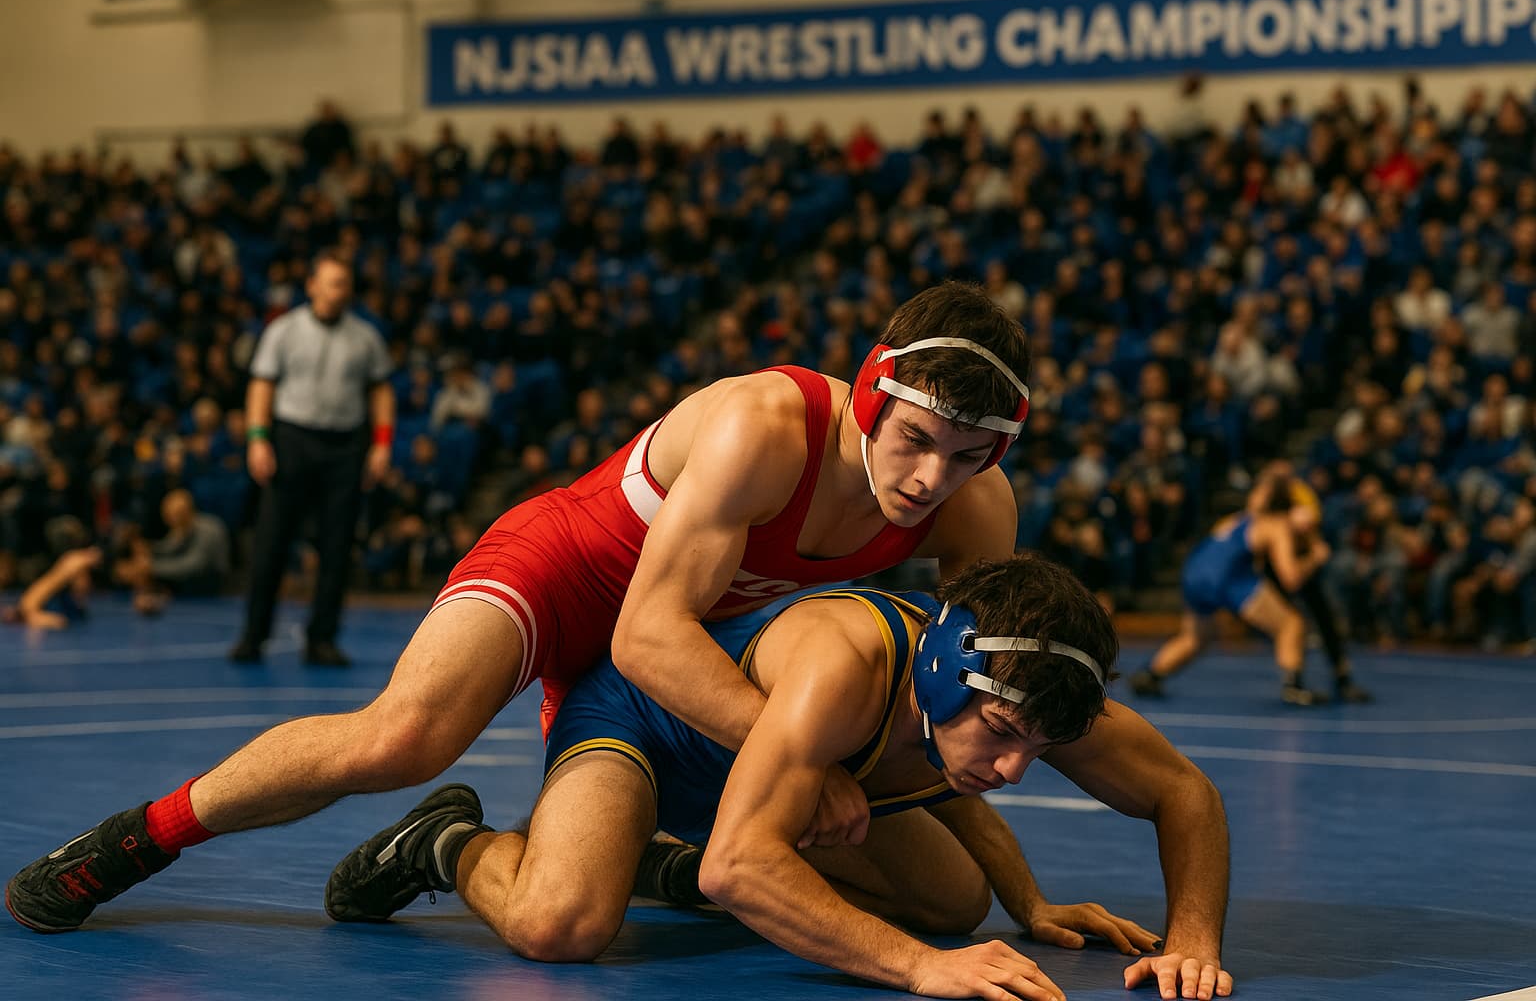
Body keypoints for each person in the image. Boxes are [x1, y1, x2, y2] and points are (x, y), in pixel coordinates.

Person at [6, 283, 1031, 936]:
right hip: (577, 572)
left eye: (967, 454)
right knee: (404, 736)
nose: (932, 477)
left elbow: (952, 711)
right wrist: (800, 766)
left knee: (936, 901)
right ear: (866, 401)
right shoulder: (765, 424)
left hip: (691, 652)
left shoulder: (978, 509)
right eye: (915, 440)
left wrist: (1024, 901)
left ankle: (565, 856)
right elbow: (641, 630)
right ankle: (144, 835)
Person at [326, 554, 1233, 1001]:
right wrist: (921, 970)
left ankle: (657, 863)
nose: (1012, 770)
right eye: (1003, 735)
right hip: (646, 730)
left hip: (764, 783)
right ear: (943, 670)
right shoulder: (845, 665)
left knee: (956, 901)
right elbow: (742, 869)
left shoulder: (1025, 684)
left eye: (1039, 751)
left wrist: (1182, 937)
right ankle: (447, 841)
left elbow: (1180, 790)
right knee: (560, 925)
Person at [229, 248, 394, 667]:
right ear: (313, 286)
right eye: (332, 283)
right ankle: (254, 635)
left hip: (344, 446)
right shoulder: (284, 330)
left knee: (336, 546)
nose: (339, 292)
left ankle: (322, 638)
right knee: (272, 542)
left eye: (345, 284)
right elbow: (262, 385)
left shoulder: (365, 337)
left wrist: (382, 444)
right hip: (292, 440)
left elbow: (381, 391)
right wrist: (257, 438)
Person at [1128, 473, 1335, 706]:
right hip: (1227, 576)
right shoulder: (1276, 524)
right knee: (1291, 624)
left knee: (1196, 638)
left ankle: (1150, 675)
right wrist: (1315, 557)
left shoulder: (1238, 518)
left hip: (1195, 569)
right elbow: (1291, 578)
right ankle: (1294, 687)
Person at [1255, 461, 1372, 702]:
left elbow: (1310, 529)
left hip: (1297, 564)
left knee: (1320, 618)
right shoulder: (1262, 499)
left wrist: (1311, 548)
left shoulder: (1298, 498)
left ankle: (1338, 677)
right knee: (1294, 622)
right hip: (1277, 567)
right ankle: (1296, 681)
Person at [113, 489, 231, 615]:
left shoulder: (209, 529)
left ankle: (155, 595)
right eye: (168, 517)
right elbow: (170, 547)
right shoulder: (184, 526)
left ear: (186, 511)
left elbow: (194, 565)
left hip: (211, 585)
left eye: (174, 517)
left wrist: (151, 567)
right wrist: (147, 548)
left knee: (155, 572)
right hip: (191, 584)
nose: (171, 522)